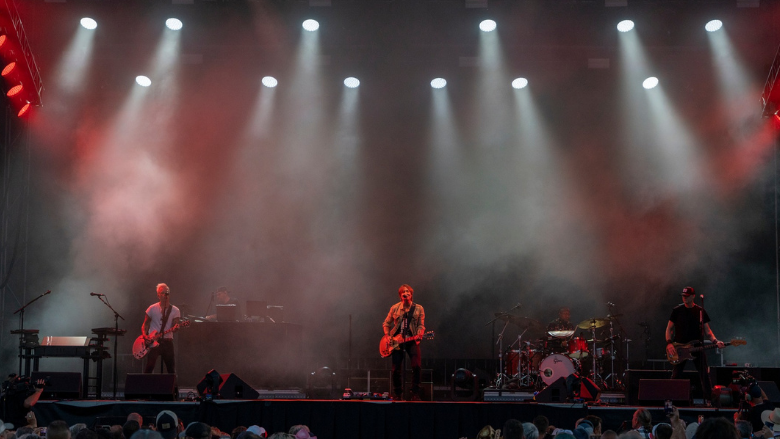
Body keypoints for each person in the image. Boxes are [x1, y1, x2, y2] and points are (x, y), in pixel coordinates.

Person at [665, 286, 724, 400]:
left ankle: (708, 400)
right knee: (676, 375)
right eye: (683, 296)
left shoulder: (700, 311)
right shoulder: (677, 310)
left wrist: (716, 341)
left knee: (704, 375)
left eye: (686, 296)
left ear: (693, 296)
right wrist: (669, 343)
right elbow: (669, 329)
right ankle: (670, 400)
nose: (684, 298)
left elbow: (708, 331)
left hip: (697, 347)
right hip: (680, 348)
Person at [382, 284, 426, 400]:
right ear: (400, 296)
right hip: (396, 341)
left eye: (407, 291)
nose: (405, 293)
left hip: (411, 340)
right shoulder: (395, 308)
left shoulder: (418, 308)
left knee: (416, 366)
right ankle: (397, 394)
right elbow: (386, 323)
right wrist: (387, 336)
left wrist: (420, 334)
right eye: (403, 292)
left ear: (411, 295)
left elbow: (421, 325)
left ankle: (415, 393)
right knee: (396, 368)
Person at [142, 283, 182, 373]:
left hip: (167, 342)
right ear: (158, 295)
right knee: (149, 366)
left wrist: (176, 328)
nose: (165, 295)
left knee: (171, 369)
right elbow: (145, 324)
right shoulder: (151, 308)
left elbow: (175, 325)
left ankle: (173, 387)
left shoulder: (175, 310)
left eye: (167, 293)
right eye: (162, 293)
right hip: (154, 341)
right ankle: (145, 386)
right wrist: (145, 336)